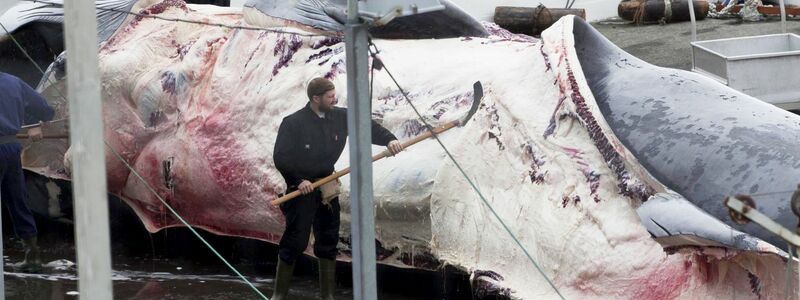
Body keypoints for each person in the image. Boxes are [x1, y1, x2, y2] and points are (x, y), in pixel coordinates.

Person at [272, 77, 403, 299]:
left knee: (328, 239)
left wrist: (389, 140)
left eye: (335, 96)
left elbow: (366, 126)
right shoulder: (293, 122)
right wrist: (297, 180)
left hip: (327, 184)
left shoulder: (340, 117)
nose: (335, 100)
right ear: (316, 99)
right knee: (296, 241)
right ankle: (278, 295)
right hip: (302, 187)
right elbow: (281, 157)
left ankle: (327, 296)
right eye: (330, 97)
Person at [0, 71, 55, 273]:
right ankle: (32, 256)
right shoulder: (13, 81)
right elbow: (45, 109)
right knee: (17, 200)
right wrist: (32, 123)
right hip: (11, 148)